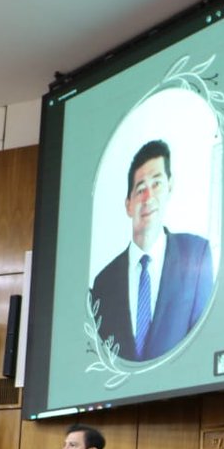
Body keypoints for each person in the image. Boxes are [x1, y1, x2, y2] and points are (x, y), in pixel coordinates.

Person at [90, 139, 215, 361]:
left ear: (170, 186)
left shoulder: (196, 254)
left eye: (156, 184)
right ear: (128, 204)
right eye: (140, 189)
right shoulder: (103, 282)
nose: (148, 198)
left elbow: (204, 340)